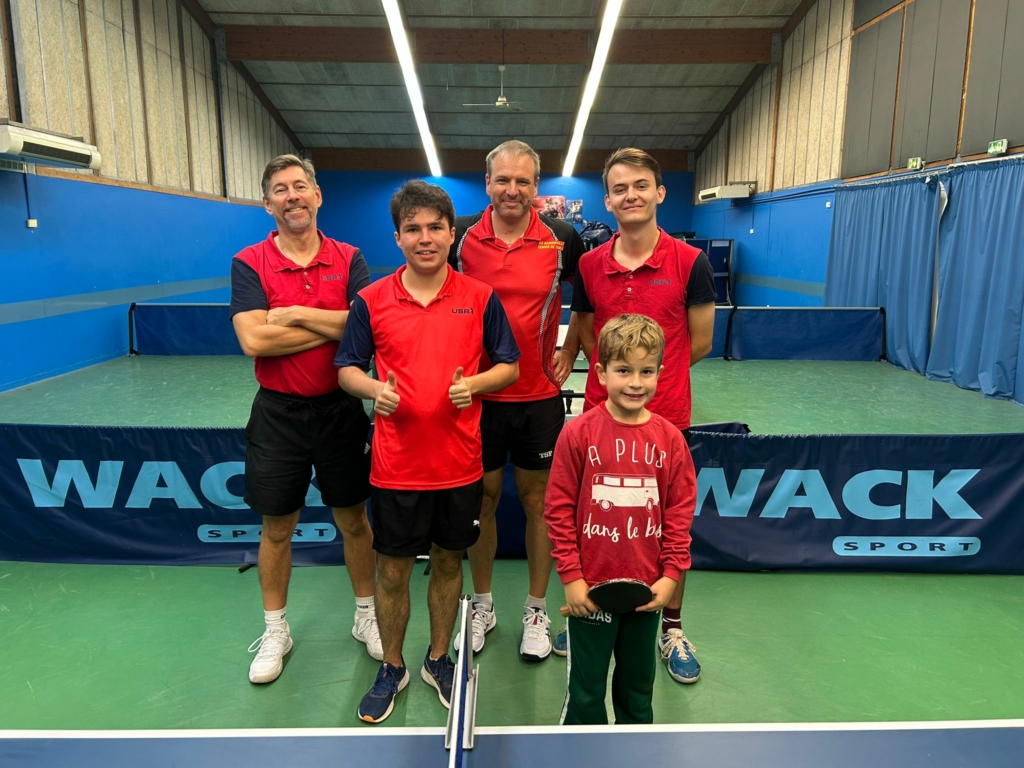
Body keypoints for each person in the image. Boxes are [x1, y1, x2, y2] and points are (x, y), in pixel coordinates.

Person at [336, 181, 521, 724]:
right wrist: (374, 389)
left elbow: (509, 365)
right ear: (397, 238)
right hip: (396, 468)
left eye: (435, 227)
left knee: (447, 562)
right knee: (393, 571)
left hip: (459, 464)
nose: (425, 238)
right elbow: (346, 369)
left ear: (450, 234)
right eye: (412, 228)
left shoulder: (480, 297)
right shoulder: (371, 301)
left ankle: (439, 658)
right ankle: (391, 666)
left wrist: (475, 385)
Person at [563, 148, 716, 685]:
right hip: (599, 419)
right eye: (620, 188)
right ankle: (591, 608)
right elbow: (586, 329)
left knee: (665, 523)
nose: (631, 195)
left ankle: (670, 627)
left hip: (667, 419)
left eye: (641, 185)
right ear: (607, 200)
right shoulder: (589, 264)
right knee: (594, 518)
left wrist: (647, 385)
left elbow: (700, 342)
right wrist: (614, 385)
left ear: (660, 192)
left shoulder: (690, 262)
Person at [229, 154, 380, 685]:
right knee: (277, 528)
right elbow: (254, 339)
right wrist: (334, 326)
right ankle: (276, 630)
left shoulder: (349, 257)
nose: (291, 196)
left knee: (354, 520)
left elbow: (366, 328)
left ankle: (367, 615)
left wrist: (293, 314)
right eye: (280, 189)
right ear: (267, 203)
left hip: (341, 411)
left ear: (318, 195)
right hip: (278, 415)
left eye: (300, 186)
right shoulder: (249, 262)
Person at [449, 140, 586, 661]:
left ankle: (536, 609)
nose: (512, 190)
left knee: (538, 503)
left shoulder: (562, 237)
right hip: (477, 395)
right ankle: (483, 606)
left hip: (539, 397)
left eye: (522, 181)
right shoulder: (460, 235)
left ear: (536, 186)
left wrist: (570, 349)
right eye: (502, 180)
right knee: (482, 501)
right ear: (487, 183)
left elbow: (587, 300)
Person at [545, 314, 696, 724]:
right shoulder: (577, 434)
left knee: (637, 692)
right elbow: (558, 509)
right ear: (601, 373)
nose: (635, 382)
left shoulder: (671, 440)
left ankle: (635, 748)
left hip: (647, 593)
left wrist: (671, 575)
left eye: (646, 371)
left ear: (660, 373)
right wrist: (572, 577)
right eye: (624, 370)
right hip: (591, 592)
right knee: (586, 693)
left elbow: (680, 515)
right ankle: (583, 750)